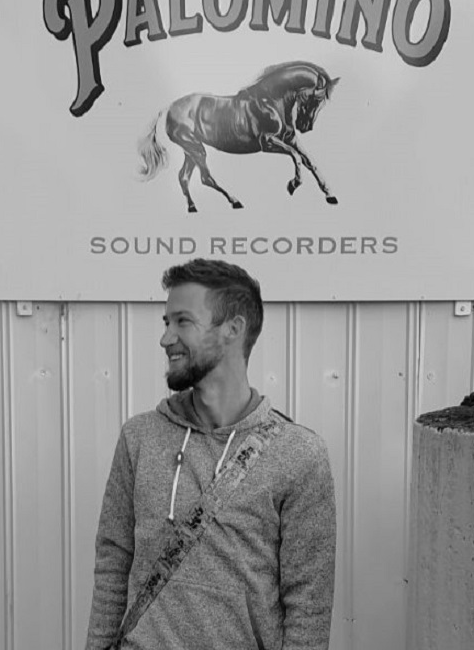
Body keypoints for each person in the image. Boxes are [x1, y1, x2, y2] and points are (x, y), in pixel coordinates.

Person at [85, 258, 336, 650]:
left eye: (182, 322)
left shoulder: (299, 454)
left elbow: (308, 604)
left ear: (232, 329)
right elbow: (113, 563)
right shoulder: (140, 437)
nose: (165, 338)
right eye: (166, 322)